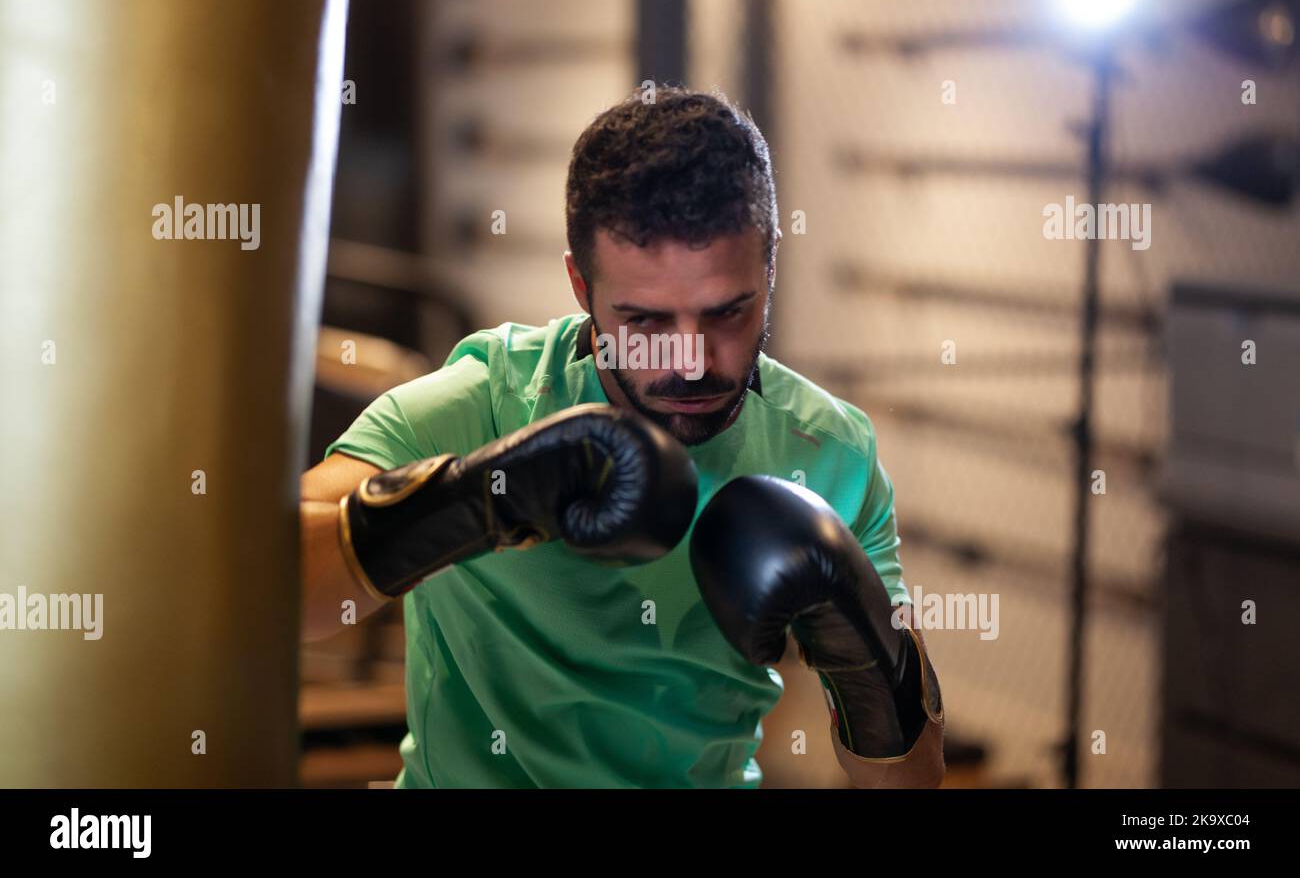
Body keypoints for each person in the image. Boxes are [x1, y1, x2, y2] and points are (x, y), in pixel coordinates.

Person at [299, 86, 944, 788]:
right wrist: (480, 501)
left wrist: (862, 657)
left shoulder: (829, 452)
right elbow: (274, 596)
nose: (692, 360)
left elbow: (906, 781)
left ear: (771, 267)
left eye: (728, 311)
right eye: (646, 322)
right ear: (581, 285)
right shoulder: (483, 403)